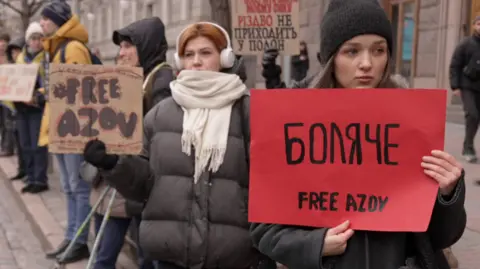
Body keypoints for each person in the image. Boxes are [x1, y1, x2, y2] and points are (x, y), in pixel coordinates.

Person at [252, 1, 466, 269]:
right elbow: (263, 230)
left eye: (378, 50)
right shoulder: (294, 123)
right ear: (331, 57)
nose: (367, 64)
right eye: (351, 51)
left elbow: (443, 235)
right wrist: (315, 244)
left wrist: (448, 194)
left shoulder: (411, 123)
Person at [83, 21, 275, 269]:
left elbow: (269, 184)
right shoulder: (160, 114)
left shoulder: (249, 111)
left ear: (225, 58)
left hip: (235, 258)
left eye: (206, 53)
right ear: (179, 61)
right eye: (188, 54)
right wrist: (113, 163)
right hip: (171, 256)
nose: (196, 61)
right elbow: (143, 184)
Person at [87, 17, 174, 269]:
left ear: (146, 45)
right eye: (120, 46)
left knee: (145, 256)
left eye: (128, 45)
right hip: (130, 178)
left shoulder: (162, 82)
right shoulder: (143, 76)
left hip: (143, 183)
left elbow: (158, 138)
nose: (121, 53)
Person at [39, 0, 92, 263]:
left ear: (58, 20)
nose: (42, 23)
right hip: (61, 125)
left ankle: (80, 239)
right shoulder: (58, 47)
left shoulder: (72, 47)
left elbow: (81, 87)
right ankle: (71, 236)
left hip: (73, 127)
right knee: (69, 188)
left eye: (46, 19)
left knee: (78, 187)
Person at [14, 22, 49, 193]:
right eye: (33, 38)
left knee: (37, 145)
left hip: (36, 106)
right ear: (28, 41)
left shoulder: (45, 58)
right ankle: (30, 176)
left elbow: (48, 84)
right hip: (21, 107)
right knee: (25, 144)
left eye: (39, 38)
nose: (36, 42)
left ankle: (40, 179)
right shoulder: (21, 58)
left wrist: (36, 96)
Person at [449, 15, 480, 163]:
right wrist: (455, 85)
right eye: (479, 23)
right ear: (474, 25)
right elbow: (455, 65)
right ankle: (468, 147)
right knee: (472, 114)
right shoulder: (466, 44)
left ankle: (469, 144)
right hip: (468, 86)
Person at [5, 36, 27, 181]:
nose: (15, 55)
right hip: (13, 110)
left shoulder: (25, 68)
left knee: (26, 144)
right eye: (13, 53)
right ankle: (21, 168)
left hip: (24, 110)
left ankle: (27, 170)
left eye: (18, 51)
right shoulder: (11, 69)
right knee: (19, 143)